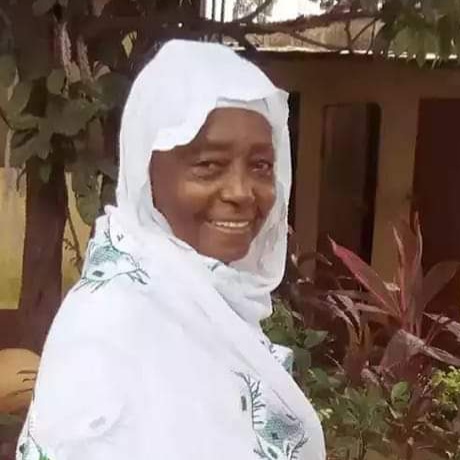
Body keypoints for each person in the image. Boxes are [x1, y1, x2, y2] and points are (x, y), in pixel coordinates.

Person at [16, 40, 326, 460]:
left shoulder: (213, 306)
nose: (241, 192)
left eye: (261, 166)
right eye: (209, 166)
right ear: (147, 173)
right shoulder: (109, 327)